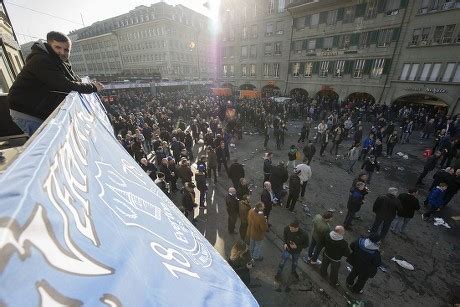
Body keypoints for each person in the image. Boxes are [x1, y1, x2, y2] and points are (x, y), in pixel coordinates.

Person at [8, 31, 104, 135]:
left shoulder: (58, 60)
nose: (62, 52)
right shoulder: (41, 60)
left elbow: (72, 78)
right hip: (27, 112)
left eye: (66, 49)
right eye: (58, 47)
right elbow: (64, 85)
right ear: (49, 45)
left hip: (39, 108)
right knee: (46, 145)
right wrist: (92, 87)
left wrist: (88, 83)